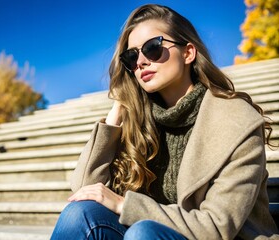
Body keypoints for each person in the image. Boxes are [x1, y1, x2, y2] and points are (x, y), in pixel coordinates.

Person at [51, 4, 279, 240]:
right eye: (131, 56)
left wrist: (123, 205)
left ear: (188, 53)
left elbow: (216, 227)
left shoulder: (237, 121)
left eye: (152, 48)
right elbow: (83, 192)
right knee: (80, 214)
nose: (140, 62)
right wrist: (117, 111)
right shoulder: (140, 120)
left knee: (143, 233)